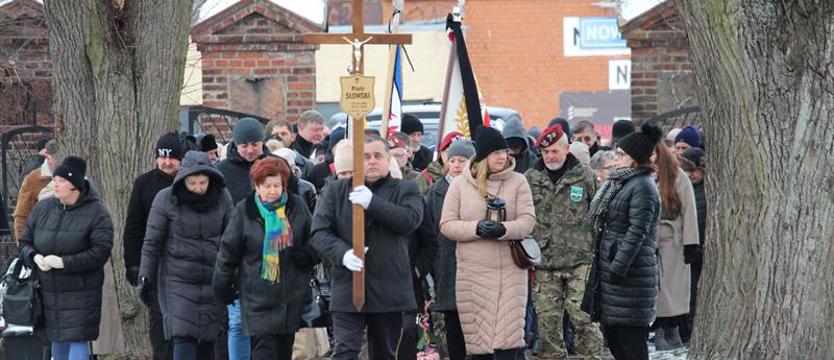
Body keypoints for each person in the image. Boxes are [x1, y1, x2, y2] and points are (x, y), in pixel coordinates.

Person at [311, 134, 424, 359]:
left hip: (388, 286)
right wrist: (343, 253)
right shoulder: (336, 191)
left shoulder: (405, 189)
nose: (372, 161)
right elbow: (319, 232)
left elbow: (409, 221)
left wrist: (373, 203)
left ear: (388, 158)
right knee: (346, 350)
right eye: (365, 156)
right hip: (348, 284)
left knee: (384, 352)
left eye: (377, 156)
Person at [439, 126, 537, 359]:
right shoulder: (460, 185)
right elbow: (446, 225)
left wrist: (503, 229)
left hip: (510, 273)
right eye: (496, 153)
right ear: (483, 157)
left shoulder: (518, 182)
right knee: (480, 344)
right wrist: (477, 228)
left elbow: (528, 221)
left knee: (509, 344)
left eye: (504, 151)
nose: (503, 156)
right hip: (473, 275)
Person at [213, 157, 319, 359]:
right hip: (257, 299)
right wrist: (222, 286)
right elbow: (228, 252)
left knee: (283, 353)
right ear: (257, 186)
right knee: (264, 352)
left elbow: (316, 239)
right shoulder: (244, 211)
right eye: (266, 186)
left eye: (277, 186)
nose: (272, 191)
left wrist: (308, 255)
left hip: (289, 298)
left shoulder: (297, 207)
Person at [137, 151, 234, 360]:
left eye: (202, 182)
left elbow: (231, 240)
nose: (198, 188)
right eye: (192, 183)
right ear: (183, 180)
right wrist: (146, 275)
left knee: (208, 341)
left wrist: (232, 275)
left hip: (212, 279)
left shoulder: (222, 197)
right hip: (177, 280)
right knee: (183, 339)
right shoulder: (166, 199)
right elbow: (152, 242)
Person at [19, 156, 113, 360]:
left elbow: (100, 253)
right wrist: (34, 257)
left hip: (81, 292)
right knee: (57, 342)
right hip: (48, 291)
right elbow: (25, 241)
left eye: (60, 180)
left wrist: (64, 263)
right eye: (55, 180)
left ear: (74, 185)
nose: (55, 184)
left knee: (77, 340)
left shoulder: (97, 214)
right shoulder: (43, 208)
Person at [583, 123, 661, 360]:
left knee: (631, 345)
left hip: (630, 278)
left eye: (621, 155)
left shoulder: (642, 187)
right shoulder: (620, 182)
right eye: (617, 153)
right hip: (612, 276)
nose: (616, 159)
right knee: (617, 343)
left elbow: (637, 232)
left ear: (636, 159)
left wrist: (618, 266)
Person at [523, 125, 602, 358]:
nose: (550, 157)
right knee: (547, 323)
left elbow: (598, 213)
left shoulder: (584, 176)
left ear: (567, 149)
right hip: (544, 261)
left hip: (580, 260)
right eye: (545, 152)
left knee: (583, 318)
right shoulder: (530, 179)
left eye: (555, 151)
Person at [123, 132, 183, 360]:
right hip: (155, 267)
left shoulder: (189, 182)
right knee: (159, 326)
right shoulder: (144, 183)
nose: (166, 162)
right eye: (162, 157)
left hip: (183, 264)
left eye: (172, 158)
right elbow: (134, 228)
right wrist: (133, 264)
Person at [215, 118, 270, 359]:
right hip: (235, 254)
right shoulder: (221, 172)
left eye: (255, 144)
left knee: (268, 325)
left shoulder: (275, 166)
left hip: (270, 252)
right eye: (244, 145)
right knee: (237, 322)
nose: (249, 150)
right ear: (235, 144)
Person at [427, 139, 475, 360]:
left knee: (475, 323)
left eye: (462, 160)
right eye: (452, 160)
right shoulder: (437, 190)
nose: (456, 165)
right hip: (446, 262)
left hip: (475, 263)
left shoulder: (479, 188)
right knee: (453, 321)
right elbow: (429, 227)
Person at [651, 144, 699, 351]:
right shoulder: (644, 176)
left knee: (672, 290)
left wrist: (691, 242)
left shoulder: (677, 176)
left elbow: (689, 211)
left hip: (674, 241)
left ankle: (671, 330)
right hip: (650, 242)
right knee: (658, 289)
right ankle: (662, 328)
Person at [678, 147, 706, 344]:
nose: (690, 175)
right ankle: (685, 329)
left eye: (694, 170)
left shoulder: (706, 191)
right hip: (687, 250)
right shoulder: (684, 189)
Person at [14, 140, 59, 242]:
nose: (58, 163)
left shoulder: (71, 175)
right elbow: (22, 215)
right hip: (40, 242)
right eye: (55, 158)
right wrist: (23, 247)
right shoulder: (33, 179)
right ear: (47, 156)